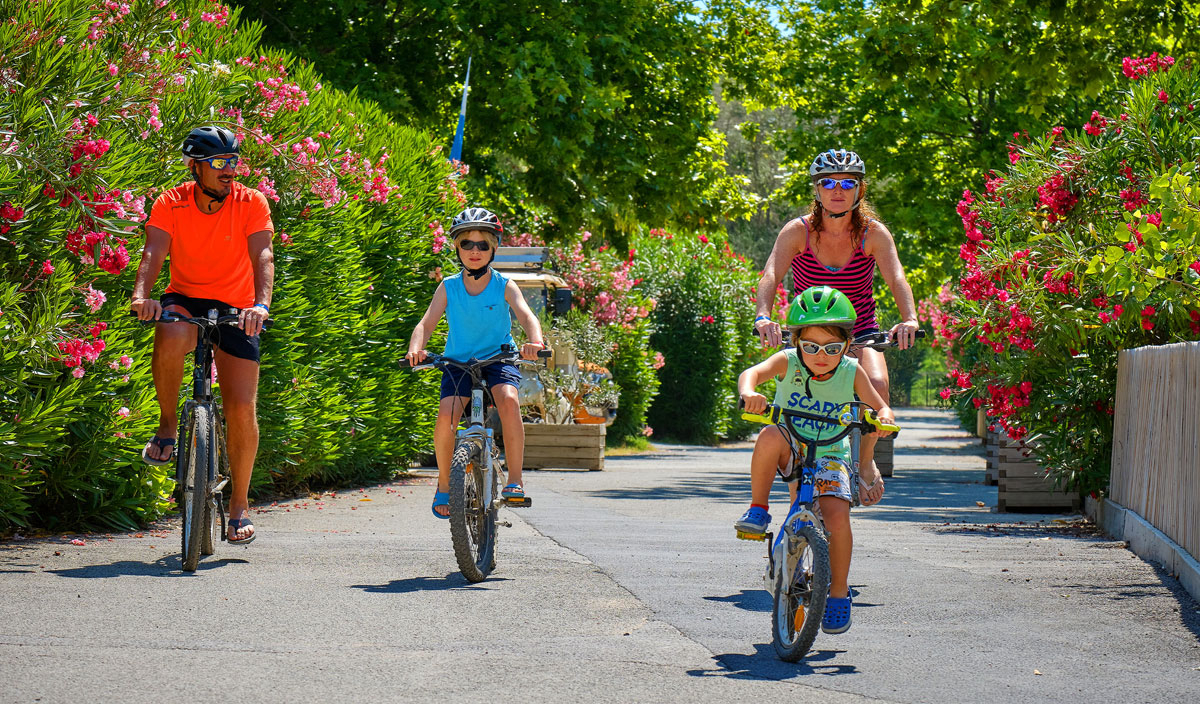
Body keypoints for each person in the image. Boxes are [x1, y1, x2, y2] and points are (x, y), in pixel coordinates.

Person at [130, 125, 274, 545]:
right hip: (186, 297)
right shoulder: (170, 202)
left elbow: (263, 253)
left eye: (234, 161)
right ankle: (169, 425)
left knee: (242, 408)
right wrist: (142, 296)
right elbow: (153, 251)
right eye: (219, 162)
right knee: (171, 330)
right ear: (196, 167)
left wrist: (260, 305)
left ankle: (239, 507)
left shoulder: (251, 201)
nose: (229, 170)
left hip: (238, 307)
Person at [736, 285, 894, 634]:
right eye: (811, 347)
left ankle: (838, 593)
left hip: (831, 454)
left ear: (847, 346)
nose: (821, 355)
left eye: (832, 348)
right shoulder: (787, 362)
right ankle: (758, 509)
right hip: (792, 447)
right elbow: (752, 374)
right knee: (768, 435)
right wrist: (750, 393)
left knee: (837, 516)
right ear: (796, 343)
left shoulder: (851, 371)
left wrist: (883, 414)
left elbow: (877, 404)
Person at [753, 149, 917, 481]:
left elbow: (896, 276)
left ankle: (866, 459)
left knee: (879, 384)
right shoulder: (797, 232)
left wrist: (910, 318)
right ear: (817, 190)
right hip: (809, 333)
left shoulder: (873, 234)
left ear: (860, 190)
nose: (837, 190)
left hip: (859, 331)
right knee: (796, 396)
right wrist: (763, 316)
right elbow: (770, 274)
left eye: (847, 182)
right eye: (828, 182)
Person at [405, 207, 546, 518]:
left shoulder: (504, 285)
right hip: (457, 363)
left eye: (483, 244)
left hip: (498, 358)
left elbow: (526, 315)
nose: (475, 251)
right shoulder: (449, 286)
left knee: (508, 400)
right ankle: (444, 484)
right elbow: (426, 324)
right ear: (456, 247)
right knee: (446, 417)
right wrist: (417, 349)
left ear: (494, 249)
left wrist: (534, 342)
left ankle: (516, 480)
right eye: (467, 243)